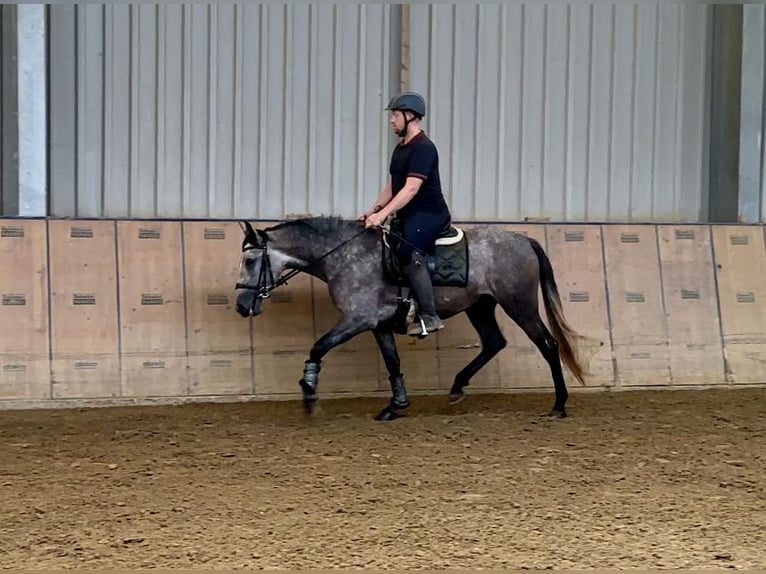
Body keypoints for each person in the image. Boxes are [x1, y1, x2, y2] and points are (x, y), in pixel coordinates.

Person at [358, 91, 452, 336]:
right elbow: (393, 185)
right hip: (409, 214)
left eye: (395, 115)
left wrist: (383, 215)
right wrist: (373, 210)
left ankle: (430, 315)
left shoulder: (424, 148)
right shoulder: (400, 148)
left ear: (410, 116)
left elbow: (411, 188)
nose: (392, 120)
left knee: (408, 251)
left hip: (429, 214)